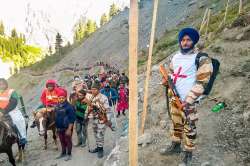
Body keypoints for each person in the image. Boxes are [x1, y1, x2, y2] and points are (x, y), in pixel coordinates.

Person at [159, 28, 213, 165]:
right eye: (183, 40)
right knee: (176, 123)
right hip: (174, 98)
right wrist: (166, 81)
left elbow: (202, 82)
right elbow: (171, 73)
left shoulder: (202, 58)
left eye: (188, 40)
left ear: (194, 41)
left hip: (189, 101)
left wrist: (188, 101)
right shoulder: (176, 57)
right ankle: (176, 145)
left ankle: (188, 152)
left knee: (189, 126)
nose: (185, 42)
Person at [86, 81, 112, 158]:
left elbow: (107, 110)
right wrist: (86, 116)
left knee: (100, 134)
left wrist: (108, 120)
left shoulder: (103, 97)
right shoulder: (90, 97)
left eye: (95, 89)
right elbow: (88, 108)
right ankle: (98, 147)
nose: (93, 91)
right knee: (95, 134)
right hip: (93, 119)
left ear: (98, 89)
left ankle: (100, 149)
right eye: (92, 89)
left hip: (101, 119)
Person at [0, 78, 27, 145]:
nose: (1, 85)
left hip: (12, 111)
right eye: (0, 84)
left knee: (18, 121)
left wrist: (3, 111)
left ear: (6, 84)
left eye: (2, 84)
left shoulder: (12, 91)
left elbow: (13, 103)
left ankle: (22, 138)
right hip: (1, 112)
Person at [54, 88, 76, 161]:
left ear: (65, 98)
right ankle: (63, 153)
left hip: (67, 128)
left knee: (68, 141)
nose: (61, 99)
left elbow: (72, 119)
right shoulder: (57, 106)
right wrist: (56, 129)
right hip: (59, 128)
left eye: (62, 98)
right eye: (59, 98)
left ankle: (69, 154)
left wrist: (69, 129)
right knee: (62, 141)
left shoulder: (69, 107)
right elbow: (56, 117)